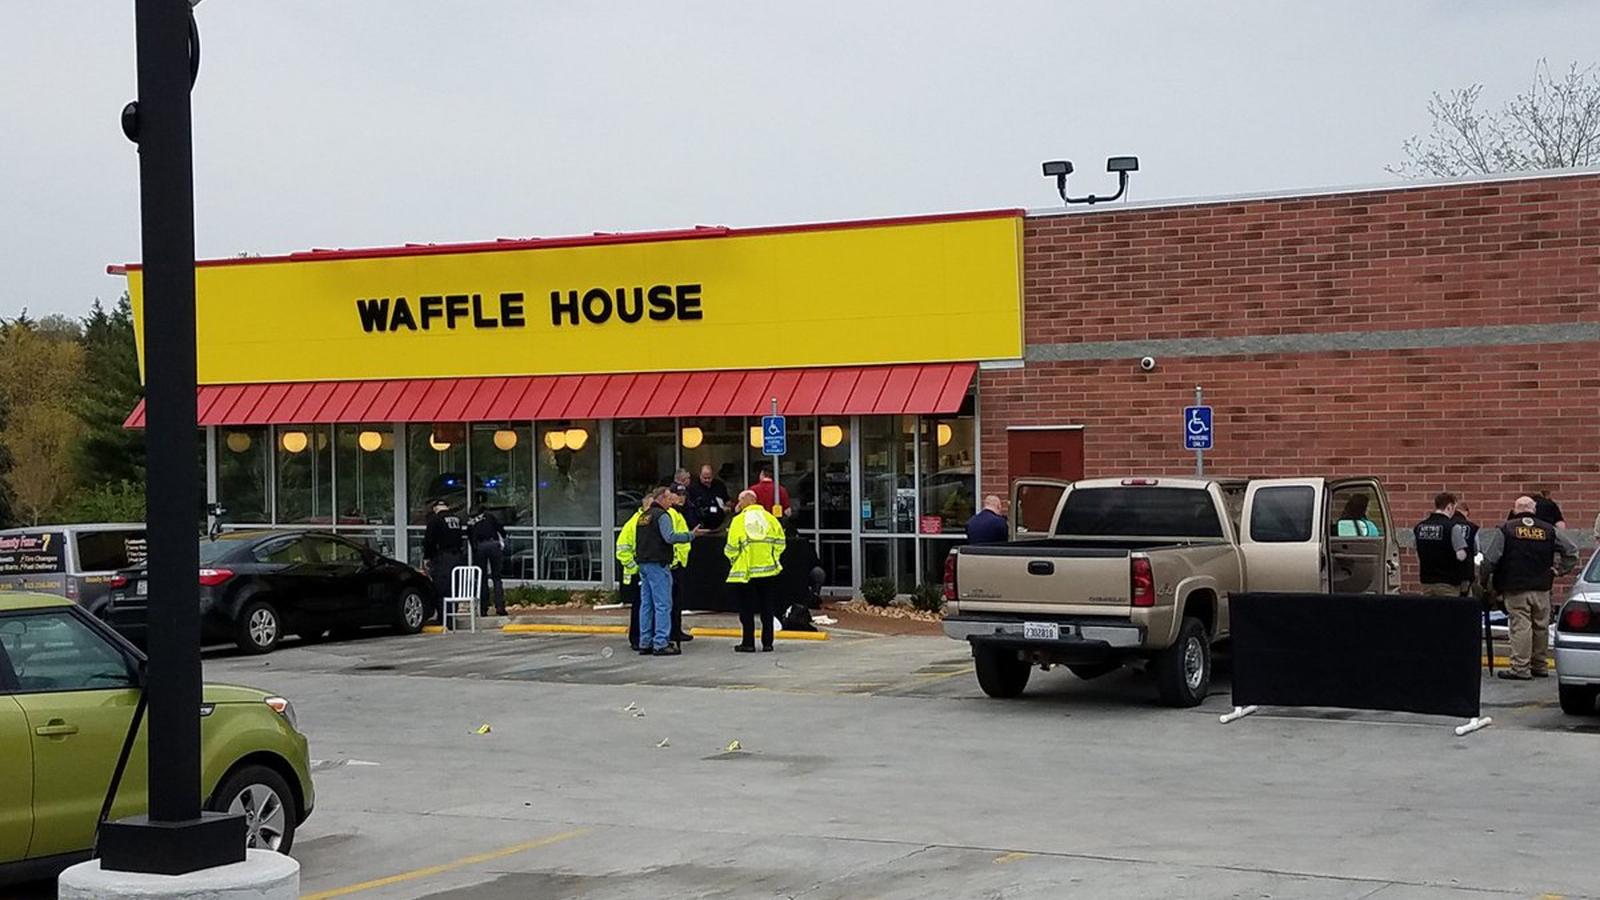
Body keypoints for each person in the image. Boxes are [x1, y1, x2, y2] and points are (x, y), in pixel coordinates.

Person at [1478, 495, 1579, 681]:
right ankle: (1539, 665)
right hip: (1542, 586)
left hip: (1515, 586)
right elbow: (1572, 551)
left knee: (1520, 626)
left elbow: (1490, 560)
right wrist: (1558, 571)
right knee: (1540, 626)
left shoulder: (1506, 529)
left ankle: (1520, 667)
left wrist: (1484, 583)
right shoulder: (1548, 529)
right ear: (1534, 510)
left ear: (1515, 510)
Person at [634, 487, 693, 656]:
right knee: (663, 604)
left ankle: (645, 642)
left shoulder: (643, 516)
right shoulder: (662, 516)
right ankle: (661, 642)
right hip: (658, 564)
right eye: (668, 498)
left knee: (646, 604)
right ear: (660, 498)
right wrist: (690, 535)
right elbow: (669, 537)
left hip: (644, 563)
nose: (671, 501)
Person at [725, 490, 786, 652]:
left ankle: (748, 643)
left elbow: (731, 548)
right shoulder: (770, 519)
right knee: (767, 608)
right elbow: (781, 542)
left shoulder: (738, 521)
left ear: (746, 501)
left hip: (746, 573)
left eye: (740, 501)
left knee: (746, 610)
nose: (738, 504)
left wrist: (736, 561)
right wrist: (773, 558)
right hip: (768, 571)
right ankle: (768, 643)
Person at [1413, 492, 1472, 596]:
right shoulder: (1452, 527)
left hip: (1426, 582)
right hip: (1448, 584)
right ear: (1449, 507)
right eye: (1454, 508)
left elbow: (1417, 552)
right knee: (1447, 611)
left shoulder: (1420, 527)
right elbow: (1461, 556)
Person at [421, 500, 465, 624]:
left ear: (435, 508)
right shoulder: (457, 519)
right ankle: (452, 616)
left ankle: (444, 618)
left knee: (442, 588)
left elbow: (429, 542)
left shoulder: (435, 520)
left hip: (442, 558)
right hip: (457, 556)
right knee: (455, 587)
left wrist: (427, 557)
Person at [664, 482, 695, 645]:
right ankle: (670, 632)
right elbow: (672, 537)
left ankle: (676, 630)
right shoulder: (669, 513)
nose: (681, 498)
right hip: (672, 563)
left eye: (683, 495)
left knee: (677, 601)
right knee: (668, 602)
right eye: (678, 494)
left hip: (679, 562)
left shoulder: (680, 512)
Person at [617, 495, 649, 651]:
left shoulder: (646, 521)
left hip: (644, 569)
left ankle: (644, 636)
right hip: (636, 571)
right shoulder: (634, 523)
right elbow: (622, 549)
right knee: (639, 606)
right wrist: (635, 567)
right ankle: (636, 637)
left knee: (645, 606)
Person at [467, 504, 508, 616]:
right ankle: (500, 607)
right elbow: (501, 529)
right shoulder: (489, 516)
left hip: (480, 547)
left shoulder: (470, 522)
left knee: (481, 578)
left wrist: (476, 550)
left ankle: (483, 608)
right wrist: (503, 538)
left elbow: (471, 539)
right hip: (493, 545)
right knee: (497, 577)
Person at [687, 464, 730, 530]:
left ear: (713, 475)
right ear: (700, 475)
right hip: (700, 522)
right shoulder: (693, 487)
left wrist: (727, 508)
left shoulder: (719, 486)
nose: (707, 480)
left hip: (719, 522)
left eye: (709, 478)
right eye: (704, 478)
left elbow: (727, 500)